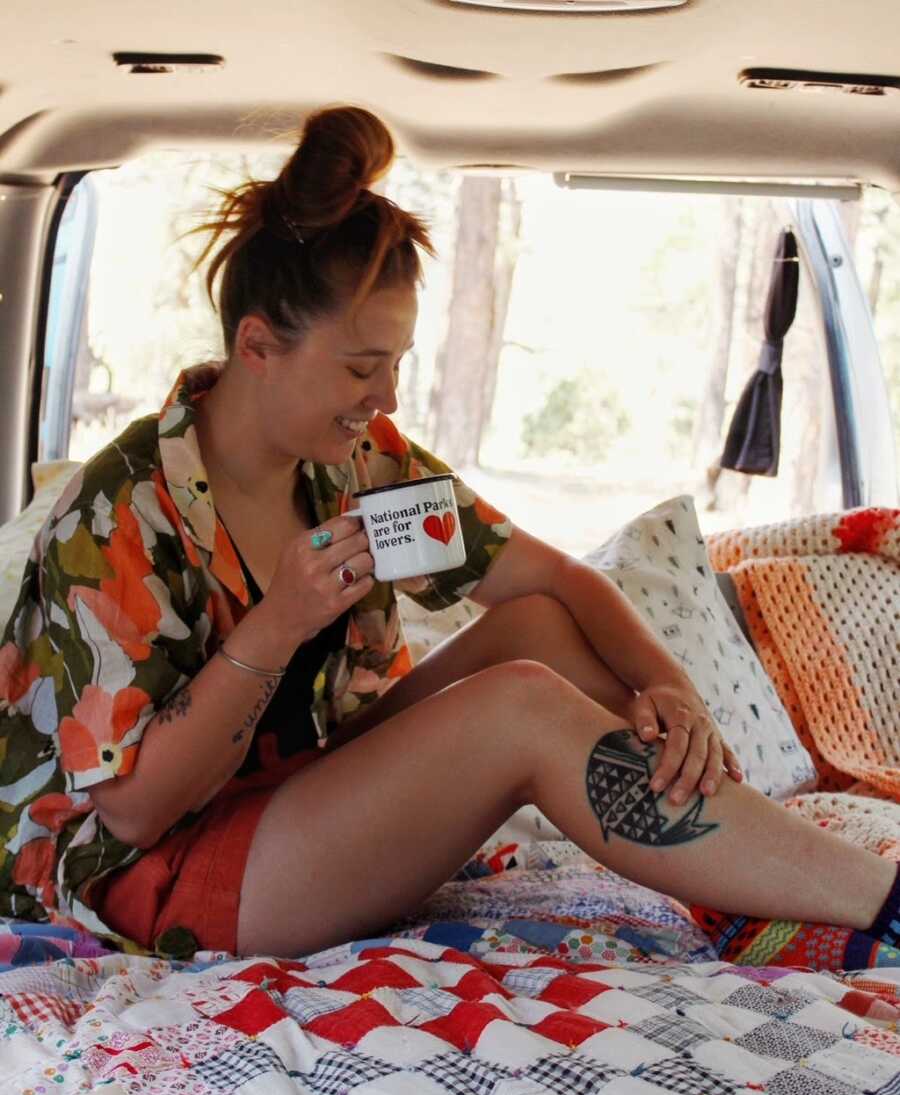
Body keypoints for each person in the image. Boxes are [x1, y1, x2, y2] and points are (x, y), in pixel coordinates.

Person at [1, 105, 898, 962]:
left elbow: (559, 579)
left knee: (538, 630)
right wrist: (276, 622)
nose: (386, 396)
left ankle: (743, 866)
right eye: (362, 366)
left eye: (396, 364)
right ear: (258, 345)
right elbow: (135, 812)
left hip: (297, 788)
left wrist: (672, 689)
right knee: (520, 707)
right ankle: (877, 900)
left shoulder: (359, 464)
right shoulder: (121, 511)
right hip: (150, 873)